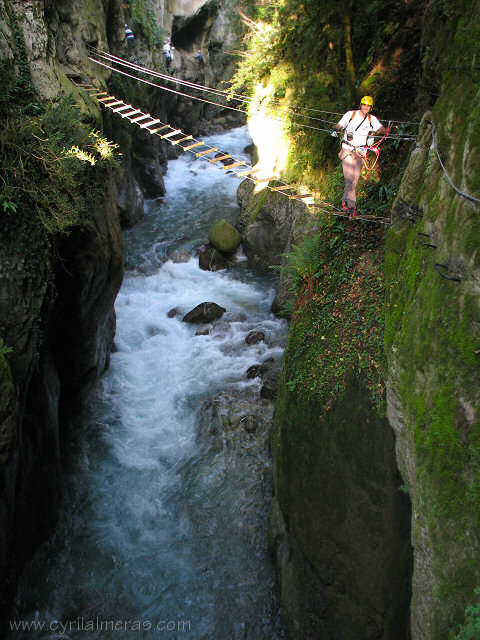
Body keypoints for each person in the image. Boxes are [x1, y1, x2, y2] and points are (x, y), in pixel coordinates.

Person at [331, 96, 386, 219]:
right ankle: (352, 207)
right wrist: (335, 129)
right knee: (349, 179)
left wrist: (374, 133)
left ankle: (345, 203)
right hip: (348, 150)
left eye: (368, 106)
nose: (366, 108)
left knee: (354, 181)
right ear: (360, 105)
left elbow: (381, 128)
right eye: (364, 105)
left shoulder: (372, 119)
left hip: (361, 152)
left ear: (371, 107)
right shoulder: (351, 115)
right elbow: (339, 125)